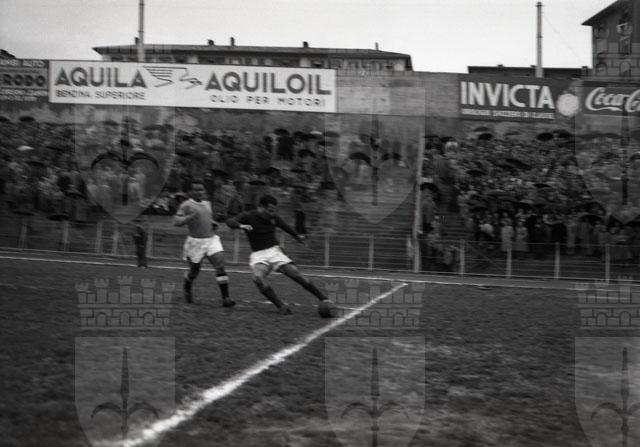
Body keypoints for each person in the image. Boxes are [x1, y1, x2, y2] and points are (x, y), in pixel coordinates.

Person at [226, 194, 334, 316]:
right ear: (260, 207)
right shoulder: (248, 216)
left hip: (275, 252)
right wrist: (241, 225)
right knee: (257, 278)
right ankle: (281, 306)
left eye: (274, 210)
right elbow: (229, 221)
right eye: (269, 210)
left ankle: (323, 298)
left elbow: (286, 227)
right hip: (259, 255)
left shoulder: (274, 218)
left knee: (295, 273)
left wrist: (298, 237)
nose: (272, 213)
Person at [173, 180, 235, 307]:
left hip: (211, 240)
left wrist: (212, 223)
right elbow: (176, 222)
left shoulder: (207, 204)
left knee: (220, 266)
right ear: (191, 192)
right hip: (195, 242)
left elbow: (206, 217)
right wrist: (189, 217)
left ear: (204, 191)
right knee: (194, 271)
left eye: (201, 190)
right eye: (196, 190)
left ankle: (226, 298)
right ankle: (187, 285)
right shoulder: (186, 205)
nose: (199, 192)